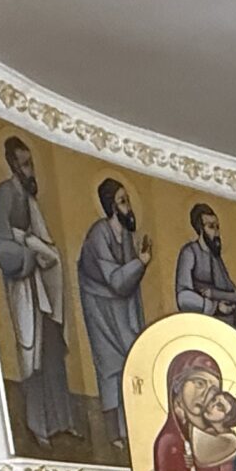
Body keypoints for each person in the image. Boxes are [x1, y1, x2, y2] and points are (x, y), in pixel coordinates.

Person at [0, 137, 77, 446]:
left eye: (31, 163)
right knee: (32, 353)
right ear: (13, 164)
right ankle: (38, 425)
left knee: (52, 352)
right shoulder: (6, 193)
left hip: (43, 286)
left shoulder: (29, 198)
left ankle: (61, 421)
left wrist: (45, 253)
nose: (30, 170)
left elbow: (43, 238)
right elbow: (3, 243)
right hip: (24, 286)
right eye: (25, 164)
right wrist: (29, 253)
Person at [76, 178, 151, 451]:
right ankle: (113, 434)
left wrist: (138, 264)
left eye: (127, 200)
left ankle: (130, 428)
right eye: (122, 201)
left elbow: (127, 284)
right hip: (100, 308)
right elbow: (116, 280)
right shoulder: (99, 233)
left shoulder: (127, 236)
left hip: (122, 309)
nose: (128, 206)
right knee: (110, 366)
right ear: (111, 206)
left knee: (130, 364)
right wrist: (140, 263)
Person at [173, 202, 236, 332]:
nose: (216, 233)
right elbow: (183, 297)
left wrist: (214, 294)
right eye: (211, 227)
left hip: (223, 327)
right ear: (200, 229)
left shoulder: (216, 259)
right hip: (200, 326)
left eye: (217, 227)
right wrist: (215, 307)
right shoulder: (190, 252)